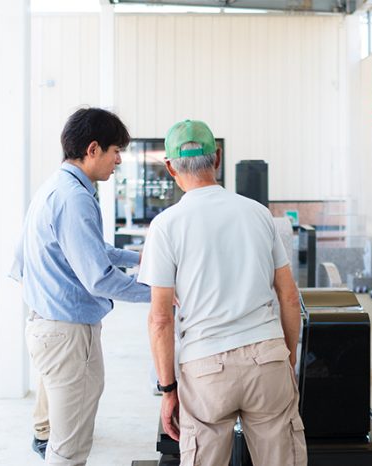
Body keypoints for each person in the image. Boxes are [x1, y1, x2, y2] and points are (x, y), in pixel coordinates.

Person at [138, 120, 307, 465]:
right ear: (216, 159)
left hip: (205, 369)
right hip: (267, 358)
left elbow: (160, 318)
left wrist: (168, 389)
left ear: (170, 167)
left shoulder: (166, 226)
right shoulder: (260, 214)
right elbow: (290, 297)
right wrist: (286, 359)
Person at [12, 107, 151, 465]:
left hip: (51, 325)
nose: (118, 160)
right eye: (115, 150)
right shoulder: (74, 198)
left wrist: (139, 257)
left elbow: (90, 250)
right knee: (70, 447)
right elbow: (99, 278)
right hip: (68, 333)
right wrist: (161, 291)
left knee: (66, 436)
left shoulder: (57, 187)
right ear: (93, 149)